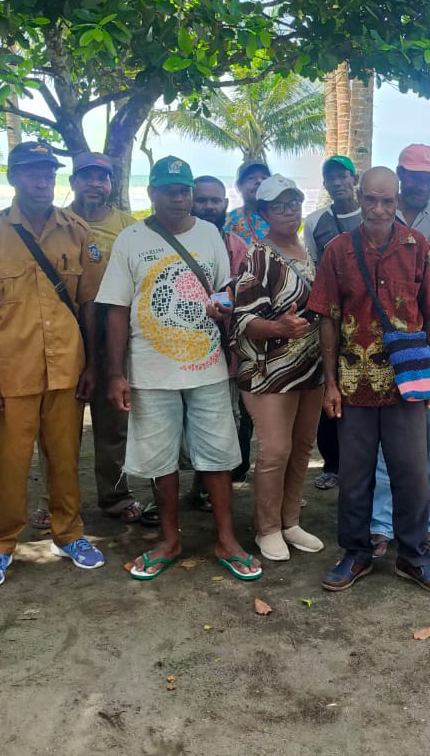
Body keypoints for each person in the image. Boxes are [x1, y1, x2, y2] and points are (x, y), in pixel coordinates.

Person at [99, 156, 262, 582]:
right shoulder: (130, 240)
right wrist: (116, 373)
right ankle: (169, 540)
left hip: (207, 368)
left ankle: (226, 538)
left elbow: (226, 290)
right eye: (169, 189)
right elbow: (116, 309)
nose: (179, 197)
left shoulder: (210, 234)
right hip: (151, 373)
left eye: (184, 190)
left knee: (218, 456)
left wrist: (223, 304)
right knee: (160, 459)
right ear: (151, 192)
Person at [0, 141, 106, 588]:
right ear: (13, 178)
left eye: (48, 172)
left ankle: (69, 533)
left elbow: (91, 305)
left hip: (68, 370)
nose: (42, 180)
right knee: (10, 463)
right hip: (11, 371)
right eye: (32, 172)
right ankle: (0, 544)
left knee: (64, 458)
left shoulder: (77, 232)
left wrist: (93, 367)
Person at [308, 167, 430, 594]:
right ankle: (356, 553)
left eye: (387, 201)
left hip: (405, 384)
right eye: (371, 200)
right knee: (355, 475)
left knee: (411, 473)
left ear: (396, 201)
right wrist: (331, 383)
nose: (378, 209)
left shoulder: (419, 247)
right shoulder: (338, 250)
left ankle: (414, 556)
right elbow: (328, 319)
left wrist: (428, 375)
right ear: (360, 196)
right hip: (354, 383)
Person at [369, 144, 430, 559]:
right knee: (381, 441)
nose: (422, 184)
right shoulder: (375, 214)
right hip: (378, 343)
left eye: (429, 177)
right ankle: (381, 524)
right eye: (415, 175)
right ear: (400, 175)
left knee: (429, 442)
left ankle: (427, 523)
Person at [232, 174, 326, 561]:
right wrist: (278, 327)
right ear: (264, 212)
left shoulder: (308, 252)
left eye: (294, 203)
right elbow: (241, 318)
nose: (289, 211)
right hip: (268, 369)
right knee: (275, 449)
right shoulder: (258, 255)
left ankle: (290, 521)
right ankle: (266, 528)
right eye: (279, 206)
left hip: (311, 366)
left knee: (302, 447)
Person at [67, 152, 144, 525]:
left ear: (111, 184)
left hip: (114, 333)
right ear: (73, 182)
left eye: (102, 177)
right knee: (60, 423)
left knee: (114, 421)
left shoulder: (129, 228)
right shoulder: (54, 222)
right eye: (86, 177)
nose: (94, 184)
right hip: (64, 335)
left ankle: (115, 496)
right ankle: (58, 501)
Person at [302, 155, 362, 491]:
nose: (338, 182)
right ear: (325, 185)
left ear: (355, 179)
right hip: (332, 318)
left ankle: (361, 461)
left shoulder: (375, 213)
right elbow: (313, 270)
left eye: (343, 176)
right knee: (331, 384)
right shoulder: (315, 222)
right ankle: (332, 464)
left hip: (370, 319)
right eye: (331, 178)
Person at [193, 174, 253, 486]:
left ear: (225, 205)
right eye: (200, 199)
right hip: (182, 350)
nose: (207, 206)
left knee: (225, 417)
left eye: (214, 200)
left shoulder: (236, 246)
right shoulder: (173, 244)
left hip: (226, 349)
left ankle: (214, 485)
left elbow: (245, 293)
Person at [223, 159, 271, 245]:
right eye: (251, 178)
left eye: (264, 178)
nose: (259, 181)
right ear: (239, 185)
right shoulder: (233, 219)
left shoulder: (280, 216)